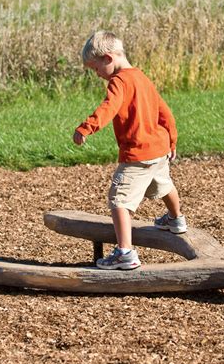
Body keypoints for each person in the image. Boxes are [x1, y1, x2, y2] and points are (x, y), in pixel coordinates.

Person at [73, 30, 187, 270]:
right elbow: (164, 111)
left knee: (119, 200)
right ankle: (176, 220)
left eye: (95, 69)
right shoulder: (142, 77)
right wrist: (172, 140)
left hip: (137, 154)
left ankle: (125, 252)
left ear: (107, 58)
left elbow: (108, 107)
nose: (97, 74)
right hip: (158, 149)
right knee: (164, 184)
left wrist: (86, 128)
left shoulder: (119, 81)